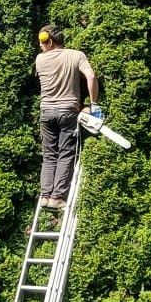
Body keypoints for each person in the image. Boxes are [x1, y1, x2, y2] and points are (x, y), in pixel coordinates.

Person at [33, 24, 99, 210]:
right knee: (65, 153)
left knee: (49, 155)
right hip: (68, 111)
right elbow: (91, 77)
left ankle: (45, 195)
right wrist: (93, 105)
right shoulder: (77, 55)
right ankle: (57, 197)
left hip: (46, 112)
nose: (40, 46)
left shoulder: (39, 60)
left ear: (50, 41)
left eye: (42, 42)